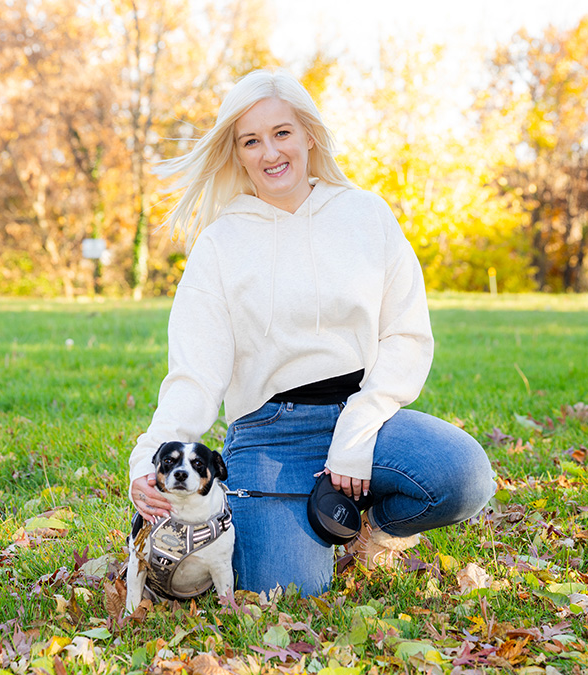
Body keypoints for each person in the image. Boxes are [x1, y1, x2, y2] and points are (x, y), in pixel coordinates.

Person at [127, 68, 496, 597]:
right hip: (271, 434)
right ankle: (305, 522)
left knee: (463, 475)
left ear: (309, 135)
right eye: (250, 140)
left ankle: (374, 532)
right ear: (236, 153)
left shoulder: (365, 214)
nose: (270, 152)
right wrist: (148, 460)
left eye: (282, 133)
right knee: (286, 593)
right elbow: (195, 375)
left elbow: (406, 335)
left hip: (364, 418)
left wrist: (358, 428)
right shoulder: (220, 244)